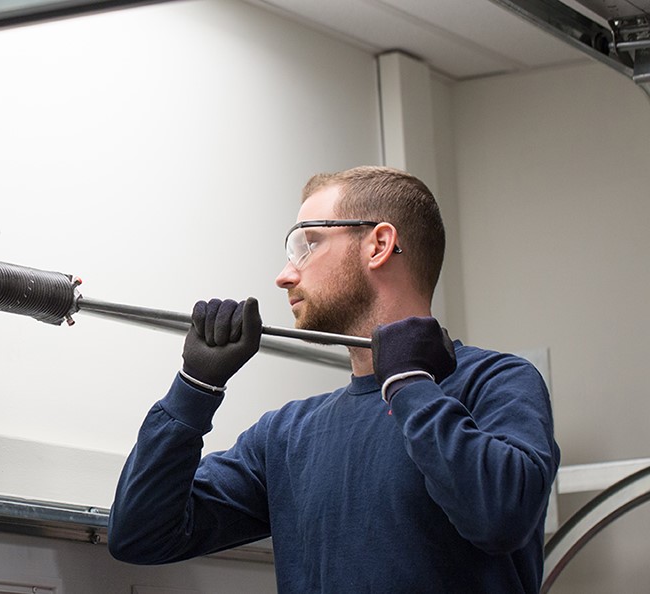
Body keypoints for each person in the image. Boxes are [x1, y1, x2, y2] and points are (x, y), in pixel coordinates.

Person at [107, 166, 560, 593]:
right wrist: (194, 388)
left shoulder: (497, 383)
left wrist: (410, 384)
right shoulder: (287, 436)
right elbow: (142, 535)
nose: (285, 276)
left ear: (379, 245)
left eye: (307, 245)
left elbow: (499, 516)